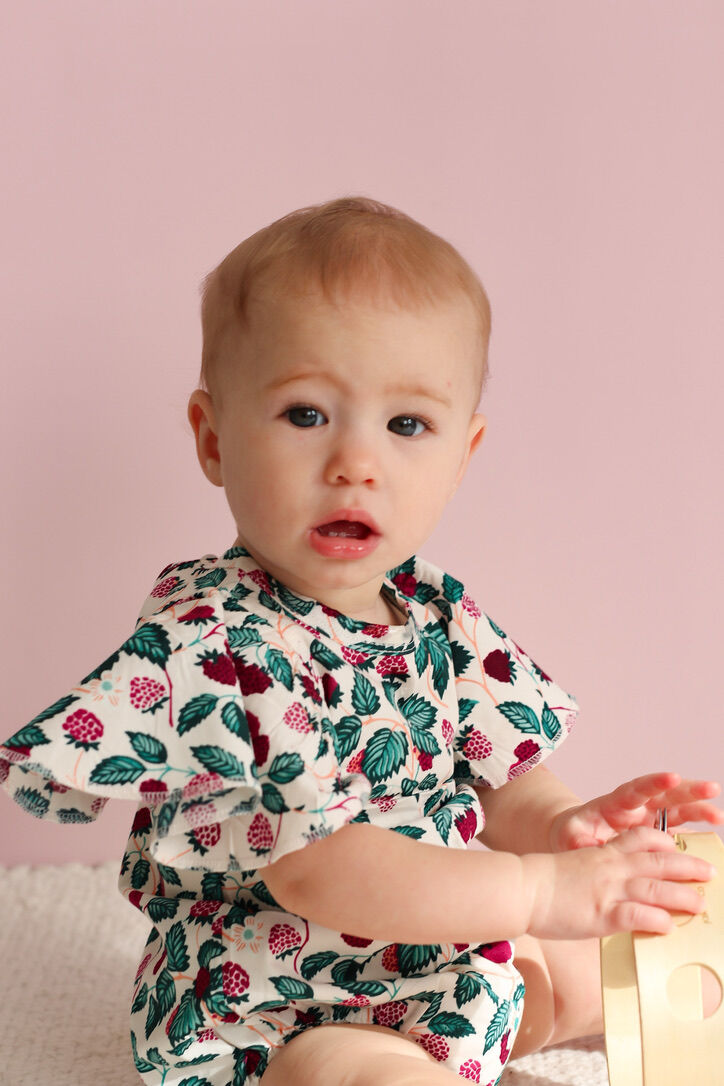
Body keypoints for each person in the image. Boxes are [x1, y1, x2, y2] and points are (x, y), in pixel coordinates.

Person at [1, 196, 721, 1086]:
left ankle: (545, 1019)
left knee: (588, 960)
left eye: (406, 425)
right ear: (215, 438)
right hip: (281, 1001)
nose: (356, 463)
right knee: (362, 1069)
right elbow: (320, 872)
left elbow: (500, 775)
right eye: (306, 414)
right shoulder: (219, 647)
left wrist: (562, 830)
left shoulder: (436, 615)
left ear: (462, 456)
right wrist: (541, 890)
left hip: (432, 957)